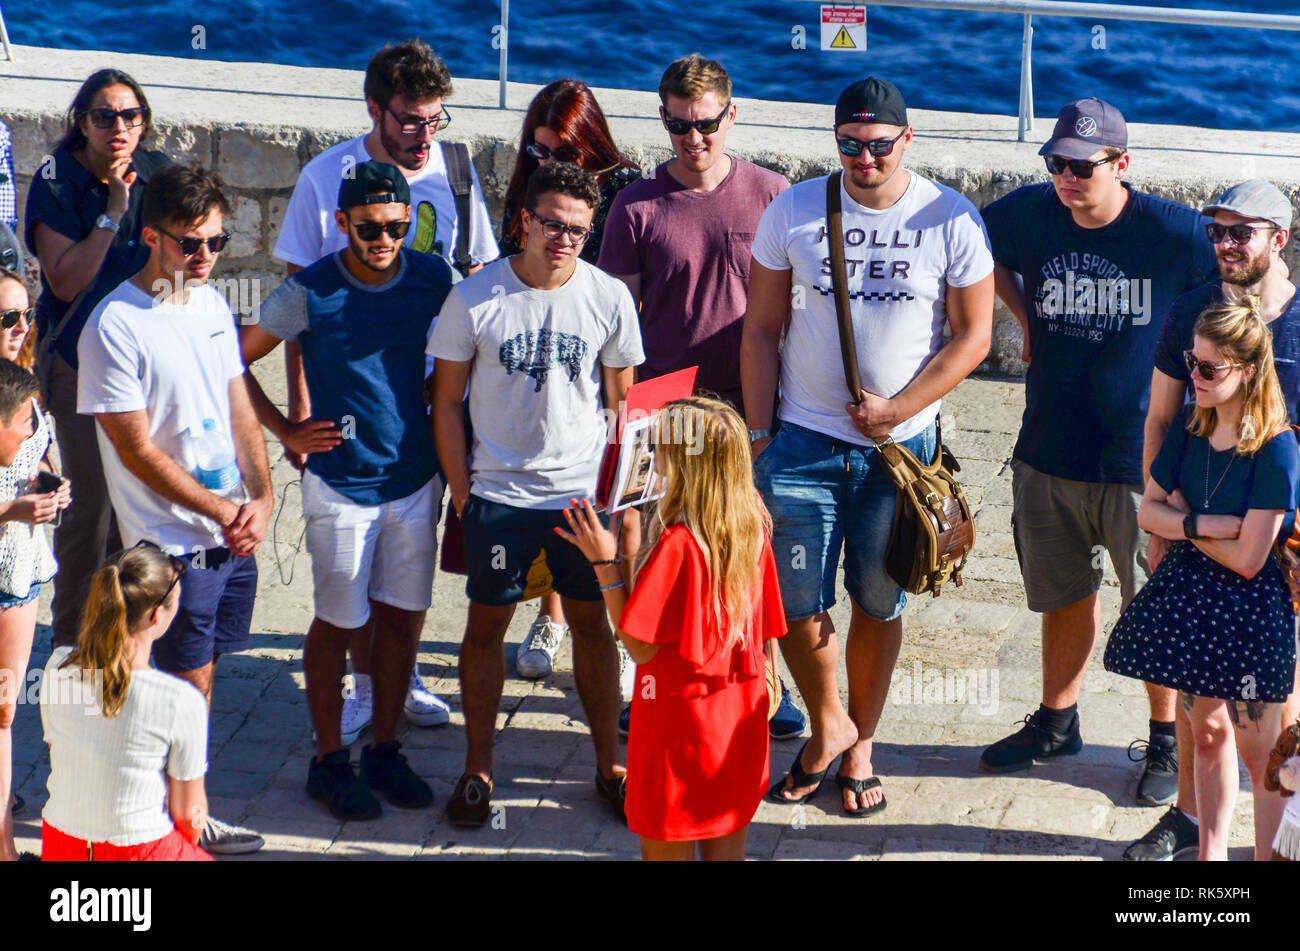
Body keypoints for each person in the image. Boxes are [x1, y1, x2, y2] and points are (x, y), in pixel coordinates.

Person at [742, 77, 994, 816]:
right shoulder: (794, 210)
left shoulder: (949, 217)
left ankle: (860, 745)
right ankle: (828, 723)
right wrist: (760, 437)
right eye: (850, 145)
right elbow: (759, 329)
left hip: (900, 455)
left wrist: (900, 409)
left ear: (905, 141)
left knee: (876, 600)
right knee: (793, 602)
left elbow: (973, 335)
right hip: (802, 442)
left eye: (879, 145)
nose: (864, 158)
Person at [977, 98, 1219, 778]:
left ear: (1122, 164)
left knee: (1152, 607)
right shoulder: (1027, 213)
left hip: (1140, 462)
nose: (1068, 178)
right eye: (1057, 163)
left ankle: (1166, 740)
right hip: (1048, 449)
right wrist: (1021, 314)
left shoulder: (1175, 233)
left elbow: (1240, 289)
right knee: (1061, 595)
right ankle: (1057, 721)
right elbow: (971, 242)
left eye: (1084, 166)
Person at [273, 39, 497, 739]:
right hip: (348, 410)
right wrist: (295, 416)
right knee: (350, 583)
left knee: (408, 566)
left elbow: (480, 276)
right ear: (375, 108)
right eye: (408, 119)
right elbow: (296, 306)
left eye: (435, 119)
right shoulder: (325, 176)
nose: (422, 135)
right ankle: (360, 696)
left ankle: (399, 681)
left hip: (428, 408)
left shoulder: (456, 171)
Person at [597, 53, 806, 741]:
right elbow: (616, 320)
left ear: (731, 115)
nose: (694, 140)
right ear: (664, 121)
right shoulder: (634, 206)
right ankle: (648, 679)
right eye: (680, 127)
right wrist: (621, 417)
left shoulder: (773, 192)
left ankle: (764, 682)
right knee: (655, 546)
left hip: (747, 401)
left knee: (750, 541)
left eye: (707, 124)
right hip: (664, 403)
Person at [429, 161, 643, 827]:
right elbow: (444, 402)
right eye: (552, 224)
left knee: (591, 626)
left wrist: (626, 502)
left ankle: (609, 763)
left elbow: (626, 404)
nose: (563, 240)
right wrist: (463, 491)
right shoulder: (475, 298)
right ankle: (478, 766)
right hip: (499, 496)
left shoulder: (608, 298)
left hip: (581, 499)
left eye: (578, 230)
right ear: (525, 219)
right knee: (485, 626)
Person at [241, 162, 455, 820]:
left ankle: (384, 749)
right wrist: (285, 430)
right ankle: (329, 762)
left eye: (395, 225)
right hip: (340, 485)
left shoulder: (433, 278)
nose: (384, 237)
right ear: (342, 224)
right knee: (339, 620)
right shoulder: (307, 291)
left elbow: (460, 349)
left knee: (400, 618)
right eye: (368, 226)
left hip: (416, 479)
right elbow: (229, 359)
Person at [76, 164, 271, 855]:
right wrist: (224, 508)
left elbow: (238, 404)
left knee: (204, 672)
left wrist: (264, 494)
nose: (206, 257)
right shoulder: (115, 325)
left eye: (217, 242)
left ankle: (180, 806)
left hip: (228, 529)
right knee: (176, 680)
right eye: (192, 244)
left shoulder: (213, 305)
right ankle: (170, 818)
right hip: (168, 541)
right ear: (152, 236)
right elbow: (132, 448)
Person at [1126, 179, 1300, 860]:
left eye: (1241, 232)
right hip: (1206, 535)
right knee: (1209, 724)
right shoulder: (1190, 314)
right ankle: (1200, 836)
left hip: (1281, 545)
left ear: (1278, 238)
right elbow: (1163, 420)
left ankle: (1273, 851)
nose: (1225, 244)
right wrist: (1162, 528)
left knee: (1275, 730)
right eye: (1216, 231)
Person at [556, 397, 787, 860]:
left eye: (659, 447)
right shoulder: (751, 519)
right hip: (738, 720)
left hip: (677, 730)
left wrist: (605, 565)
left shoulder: (679, 546)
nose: (651, 456)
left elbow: (640, 646)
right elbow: (766, 626)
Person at [499, 78, 641, 691]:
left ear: (592, 147)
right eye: (539, 152)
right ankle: (549, 616)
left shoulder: (626, 192)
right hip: (544, 365)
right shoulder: (528, 194)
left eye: (564, 153)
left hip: (610, 363)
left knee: (620, 506)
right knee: (558, 501)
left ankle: (627, 629)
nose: (550, 164)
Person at [23, 68, 169, 651]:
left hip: (145, 367)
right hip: (79, 367)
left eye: (131, 116)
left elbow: (182, 262)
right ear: (81, 121)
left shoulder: (157, 172)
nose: (119, 127)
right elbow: (64, 283)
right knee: (88, 519)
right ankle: (70, 658)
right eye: (105, 116)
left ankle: (126, 653)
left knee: (140, 515)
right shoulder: (57, 181)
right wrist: (114, 207)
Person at [40, 543, 213, 861]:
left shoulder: (57, 666)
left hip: (61, 843)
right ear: (157, 614)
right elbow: (191, 814)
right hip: (140, 849)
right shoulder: (179, 700)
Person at [0, 288, 70, 858]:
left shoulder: (24, 372)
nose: (22, 325)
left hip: (19, 567)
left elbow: (36, 449)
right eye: (7, 316)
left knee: (3, 711)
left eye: (28, 314)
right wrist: (12, 507)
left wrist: (50, 480)